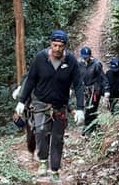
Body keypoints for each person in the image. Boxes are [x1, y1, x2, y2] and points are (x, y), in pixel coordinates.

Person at [15, 30, 84, 175]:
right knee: (40, 131)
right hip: (41, 102)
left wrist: (80, 108)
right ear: (50, 44)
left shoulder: (71, 61)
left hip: (60, 104)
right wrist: (21, 101)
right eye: (55, 45)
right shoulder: (40, 58)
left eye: (60, 46)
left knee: (57, 137)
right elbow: (31, 79)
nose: (57, 49)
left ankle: (54, 168)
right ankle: (42, 161)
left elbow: (78, 84)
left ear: (65, 46)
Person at [78, 46, 105, 132]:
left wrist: (106, 90)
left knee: (91, 108)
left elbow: (102, 78)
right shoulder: (79, 64)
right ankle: (93, 125)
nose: (85, 58)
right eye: (84, 57)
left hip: (94, 90)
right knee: (86, 108)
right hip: (85, 90)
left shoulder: (96, 64)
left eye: (86, 57)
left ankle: (88, 128)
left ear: (90, 56)